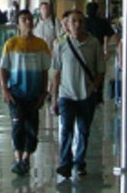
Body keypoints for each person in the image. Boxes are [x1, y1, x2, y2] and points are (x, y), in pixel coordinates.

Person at [51, 10, 105, 178]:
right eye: (73, 21)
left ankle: (80, 162)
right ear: (67, 24)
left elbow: (100, 70)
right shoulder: (61, 45)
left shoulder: (93, 43)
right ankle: (65, 163)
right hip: (66, 95)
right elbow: (56, 73)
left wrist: (94, 87)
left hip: (86, 95)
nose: (77, 24)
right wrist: (54, 98)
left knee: (83, 130)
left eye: (80, 21)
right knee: (66, 130)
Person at [0, 10, 51, 176]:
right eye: (24, 20)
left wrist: (44, 92)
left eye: (29, 19)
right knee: (17, 125)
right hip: (16, 94)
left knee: (32, 127)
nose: (28, 22)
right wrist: (5, 89)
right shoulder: (10, 44)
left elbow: (45, 70)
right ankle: (18, 158)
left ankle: (27, 157)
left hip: (34, 94)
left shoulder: (41, 45)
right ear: (18, 25)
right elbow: (2, 68)